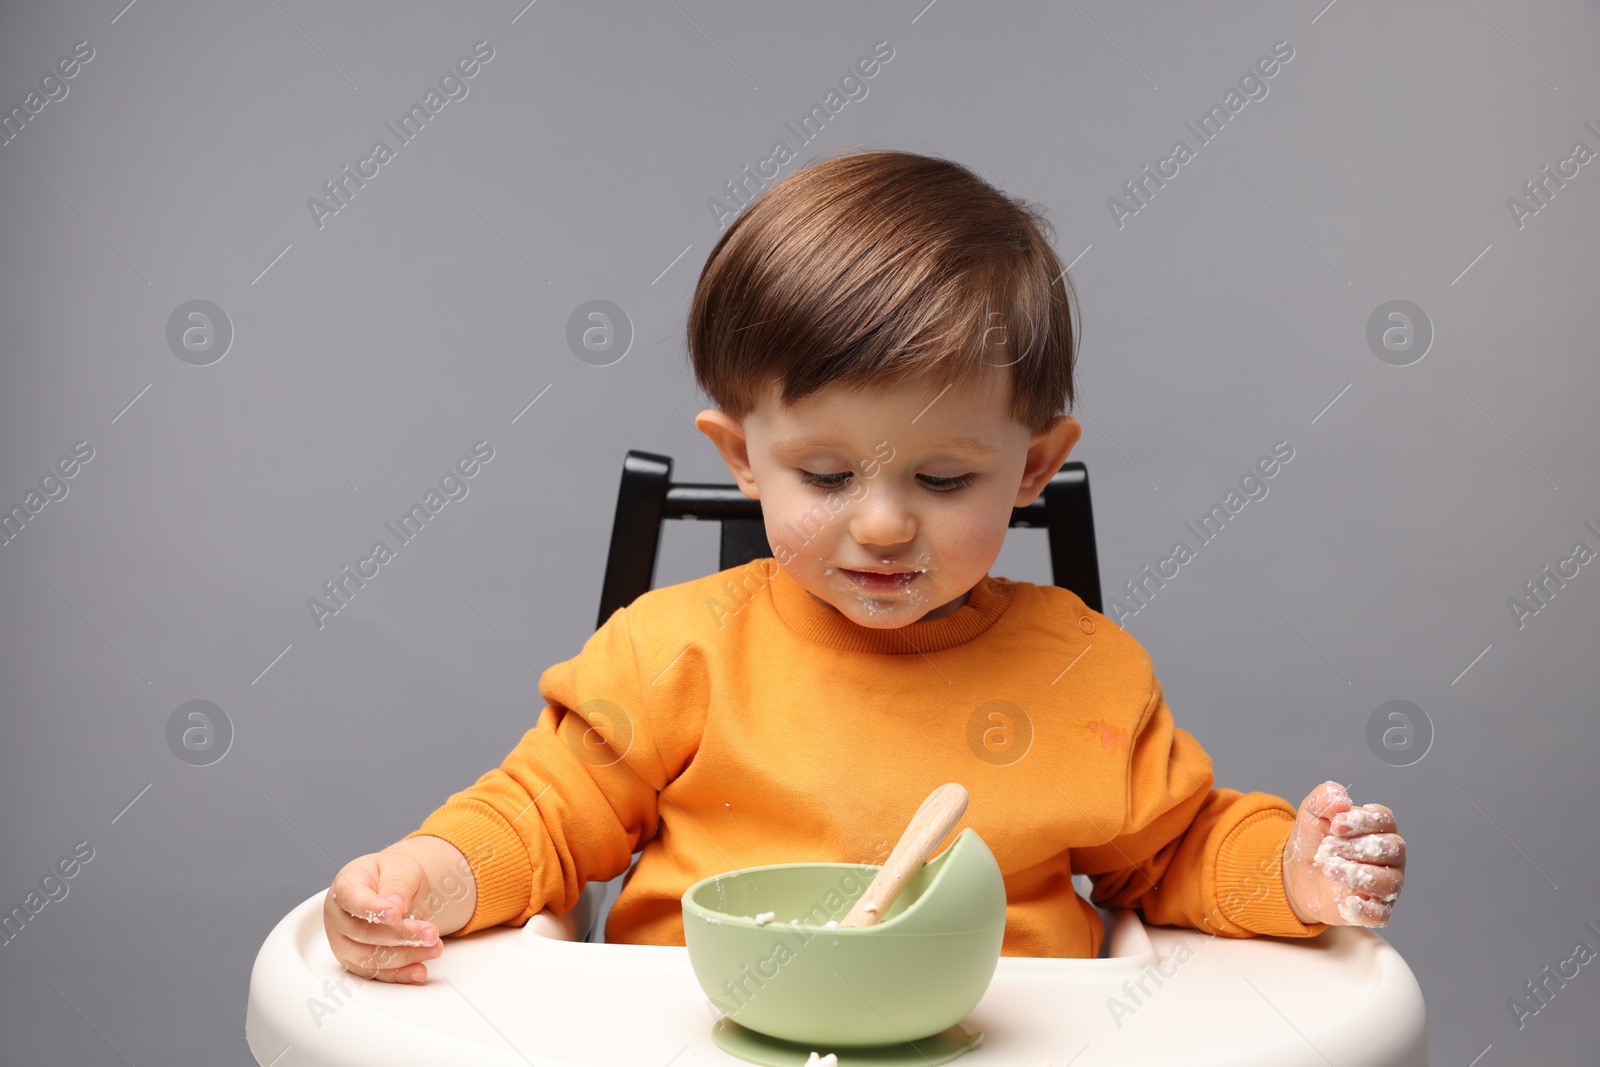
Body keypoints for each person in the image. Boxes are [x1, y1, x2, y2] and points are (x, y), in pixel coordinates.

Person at [322, 147, 1405, 984]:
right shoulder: (674, 654)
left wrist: (1295, 877)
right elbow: (537, 819)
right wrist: (424, 879)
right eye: (827, 474)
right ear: (741, 457)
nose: (882, 526)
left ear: (1031, 468)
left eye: (942, 481)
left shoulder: (1087, 671)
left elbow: (1176, 854)